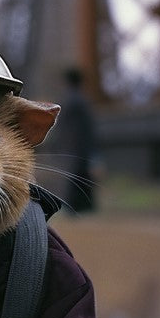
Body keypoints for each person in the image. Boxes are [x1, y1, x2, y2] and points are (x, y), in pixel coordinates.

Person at [53, 67, 101, 213]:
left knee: (75, 176)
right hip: (82, 146)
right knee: (82, 176)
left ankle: (76, 206)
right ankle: (84, 206)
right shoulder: (82, 100)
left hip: (74, 147)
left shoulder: (71, 100)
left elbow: (65, 127)